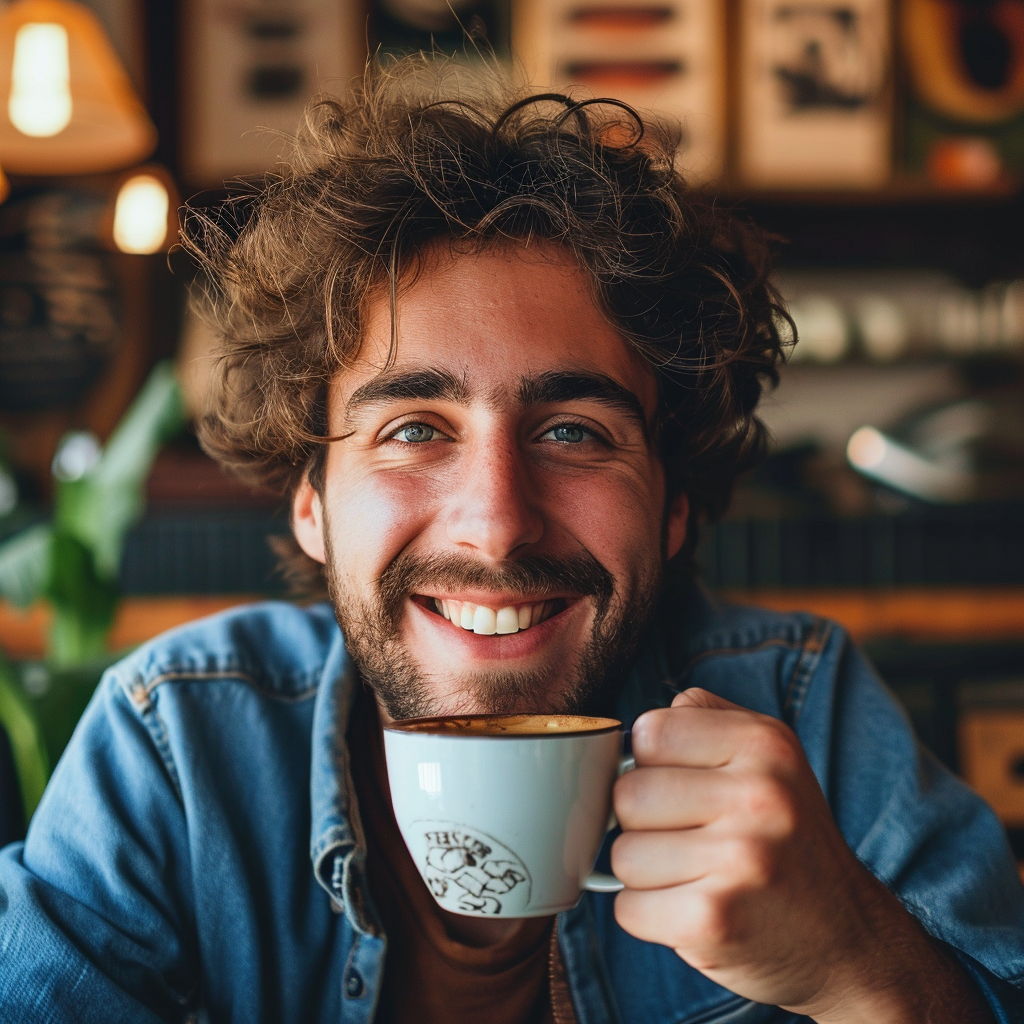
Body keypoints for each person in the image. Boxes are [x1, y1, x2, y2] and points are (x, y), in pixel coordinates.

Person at [1, 58, 1022, 1024]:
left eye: (573, 432)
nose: (495, 523)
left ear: (673, 504)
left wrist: (857, 959)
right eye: (412, 431)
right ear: (309, 501)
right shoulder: (177, 745)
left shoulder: (802, 713)